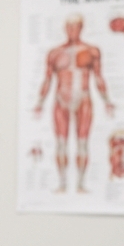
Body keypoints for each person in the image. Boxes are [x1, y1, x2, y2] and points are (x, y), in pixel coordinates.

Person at [33, 13, 115, 193]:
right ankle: (62, 183)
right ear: (65, 28)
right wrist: (40, 102)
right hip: (61, 99)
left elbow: (98, 78)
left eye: (76, 26)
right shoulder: (55, 53)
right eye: (69, 26)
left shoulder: (91, 51)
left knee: (82, 142)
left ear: (81, 27)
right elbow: (47, 79)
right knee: (61, 142)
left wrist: (107, 101)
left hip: (83, 98)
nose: (72, 30)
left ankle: (80, 183)